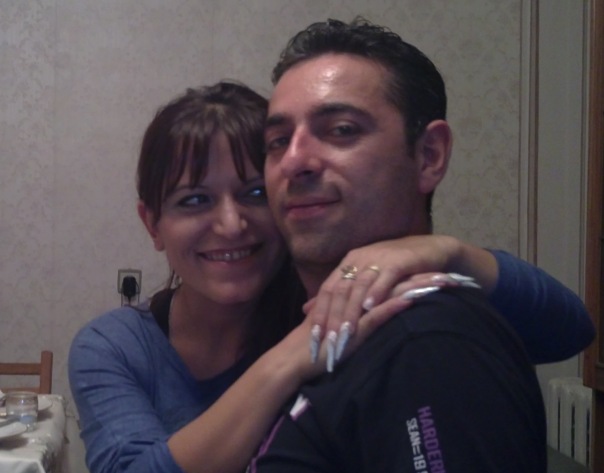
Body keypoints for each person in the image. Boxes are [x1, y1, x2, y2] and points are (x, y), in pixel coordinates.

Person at [69, 78, 592, 473]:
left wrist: (448, 252)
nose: (230, 225)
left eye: (254, 194)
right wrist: (292, 357)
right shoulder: (115, 347)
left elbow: (569, 331)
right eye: (194, 200)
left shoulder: (344, 296)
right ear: (152, 224)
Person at [248, 18, 580, 472]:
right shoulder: (292, 317)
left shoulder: (427, 344)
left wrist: (454, 252)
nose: (294, 160)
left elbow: (573, 328)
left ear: (429, 156)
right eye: (278, 141)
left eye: (341, 129)